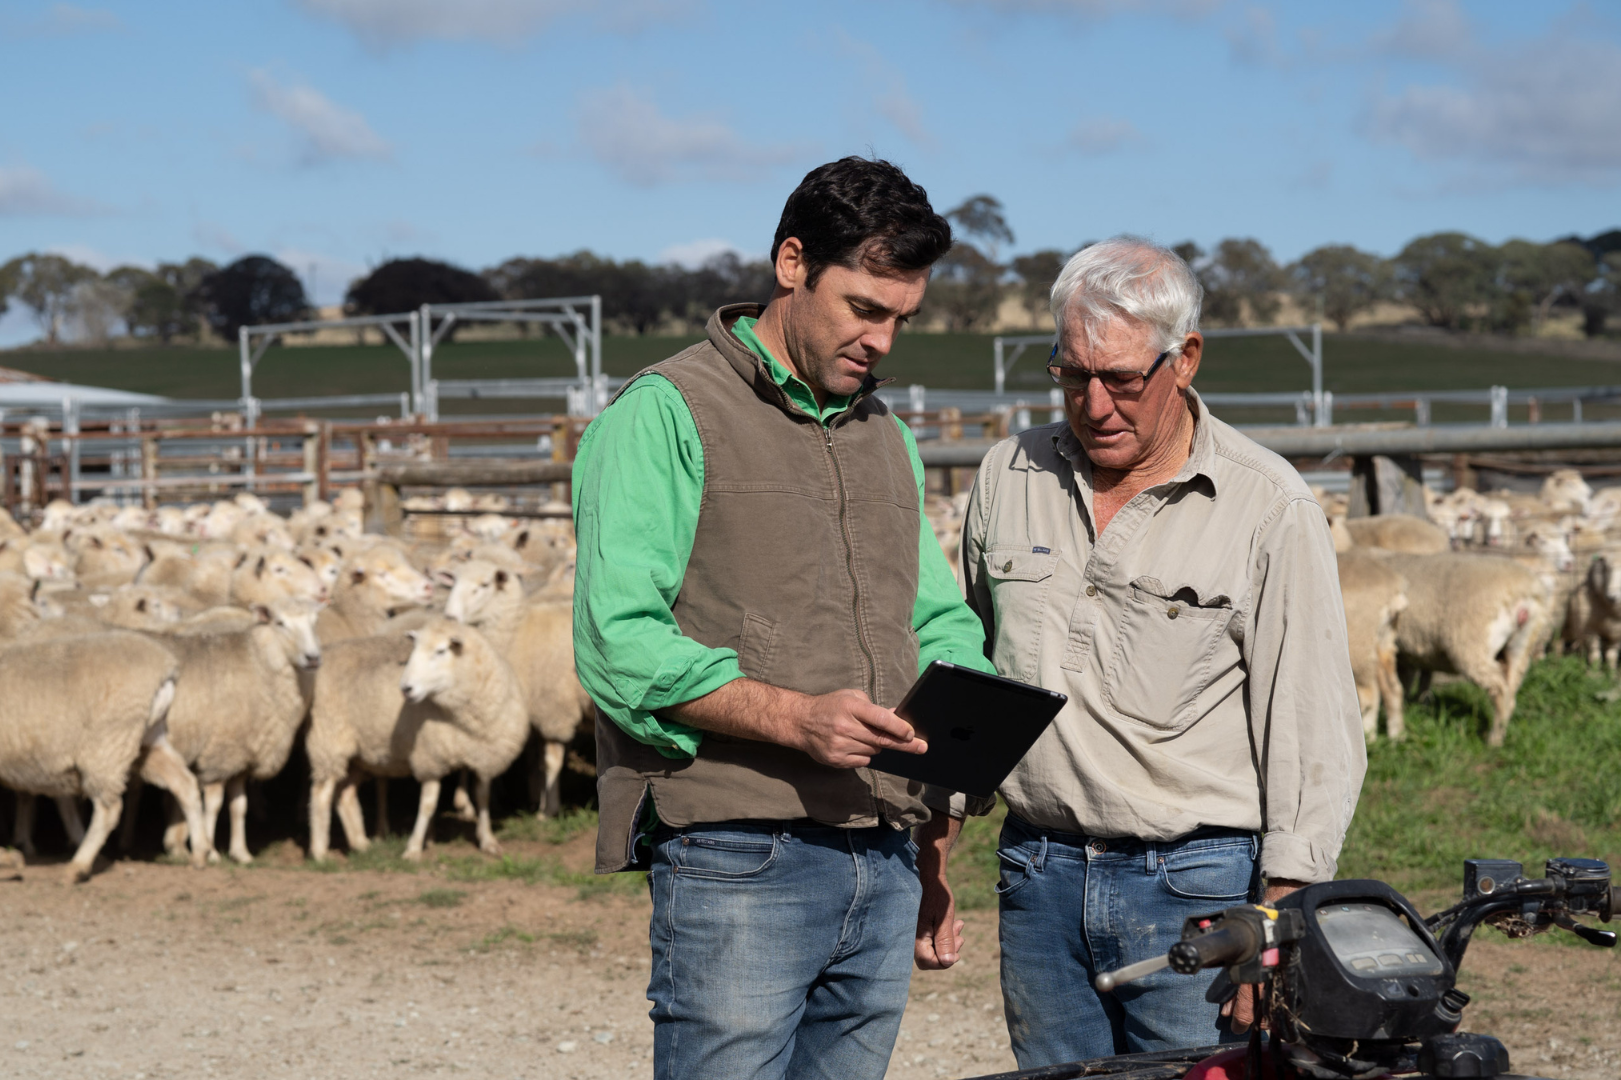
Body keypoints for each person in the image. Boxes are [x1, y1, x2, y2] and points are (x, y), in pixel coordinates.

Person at [571, 156, 995, 1080]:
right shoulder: (665, 413)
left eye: (901, 320)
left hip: (882, 856)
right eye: (864, 309)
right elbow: (618, 640)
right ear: (793, 264)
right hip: (738, 854)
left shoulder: (887, 438)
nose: (882, 341)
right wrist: (795, 718)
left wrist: (967, 725)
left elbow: (937, 621)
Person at [931, 236, 1366, 1067]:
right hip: (1037, 873)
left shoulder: (1267, 506)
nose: (1094, 405)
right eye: (1070, 374)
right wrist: (937, 846)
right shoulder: (1006, 477)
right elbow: (973, 677)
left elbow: (1310, 724)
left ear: (1185, 359)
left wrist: (1276, 916)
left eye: (1123, 379)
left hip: (1196, 887)